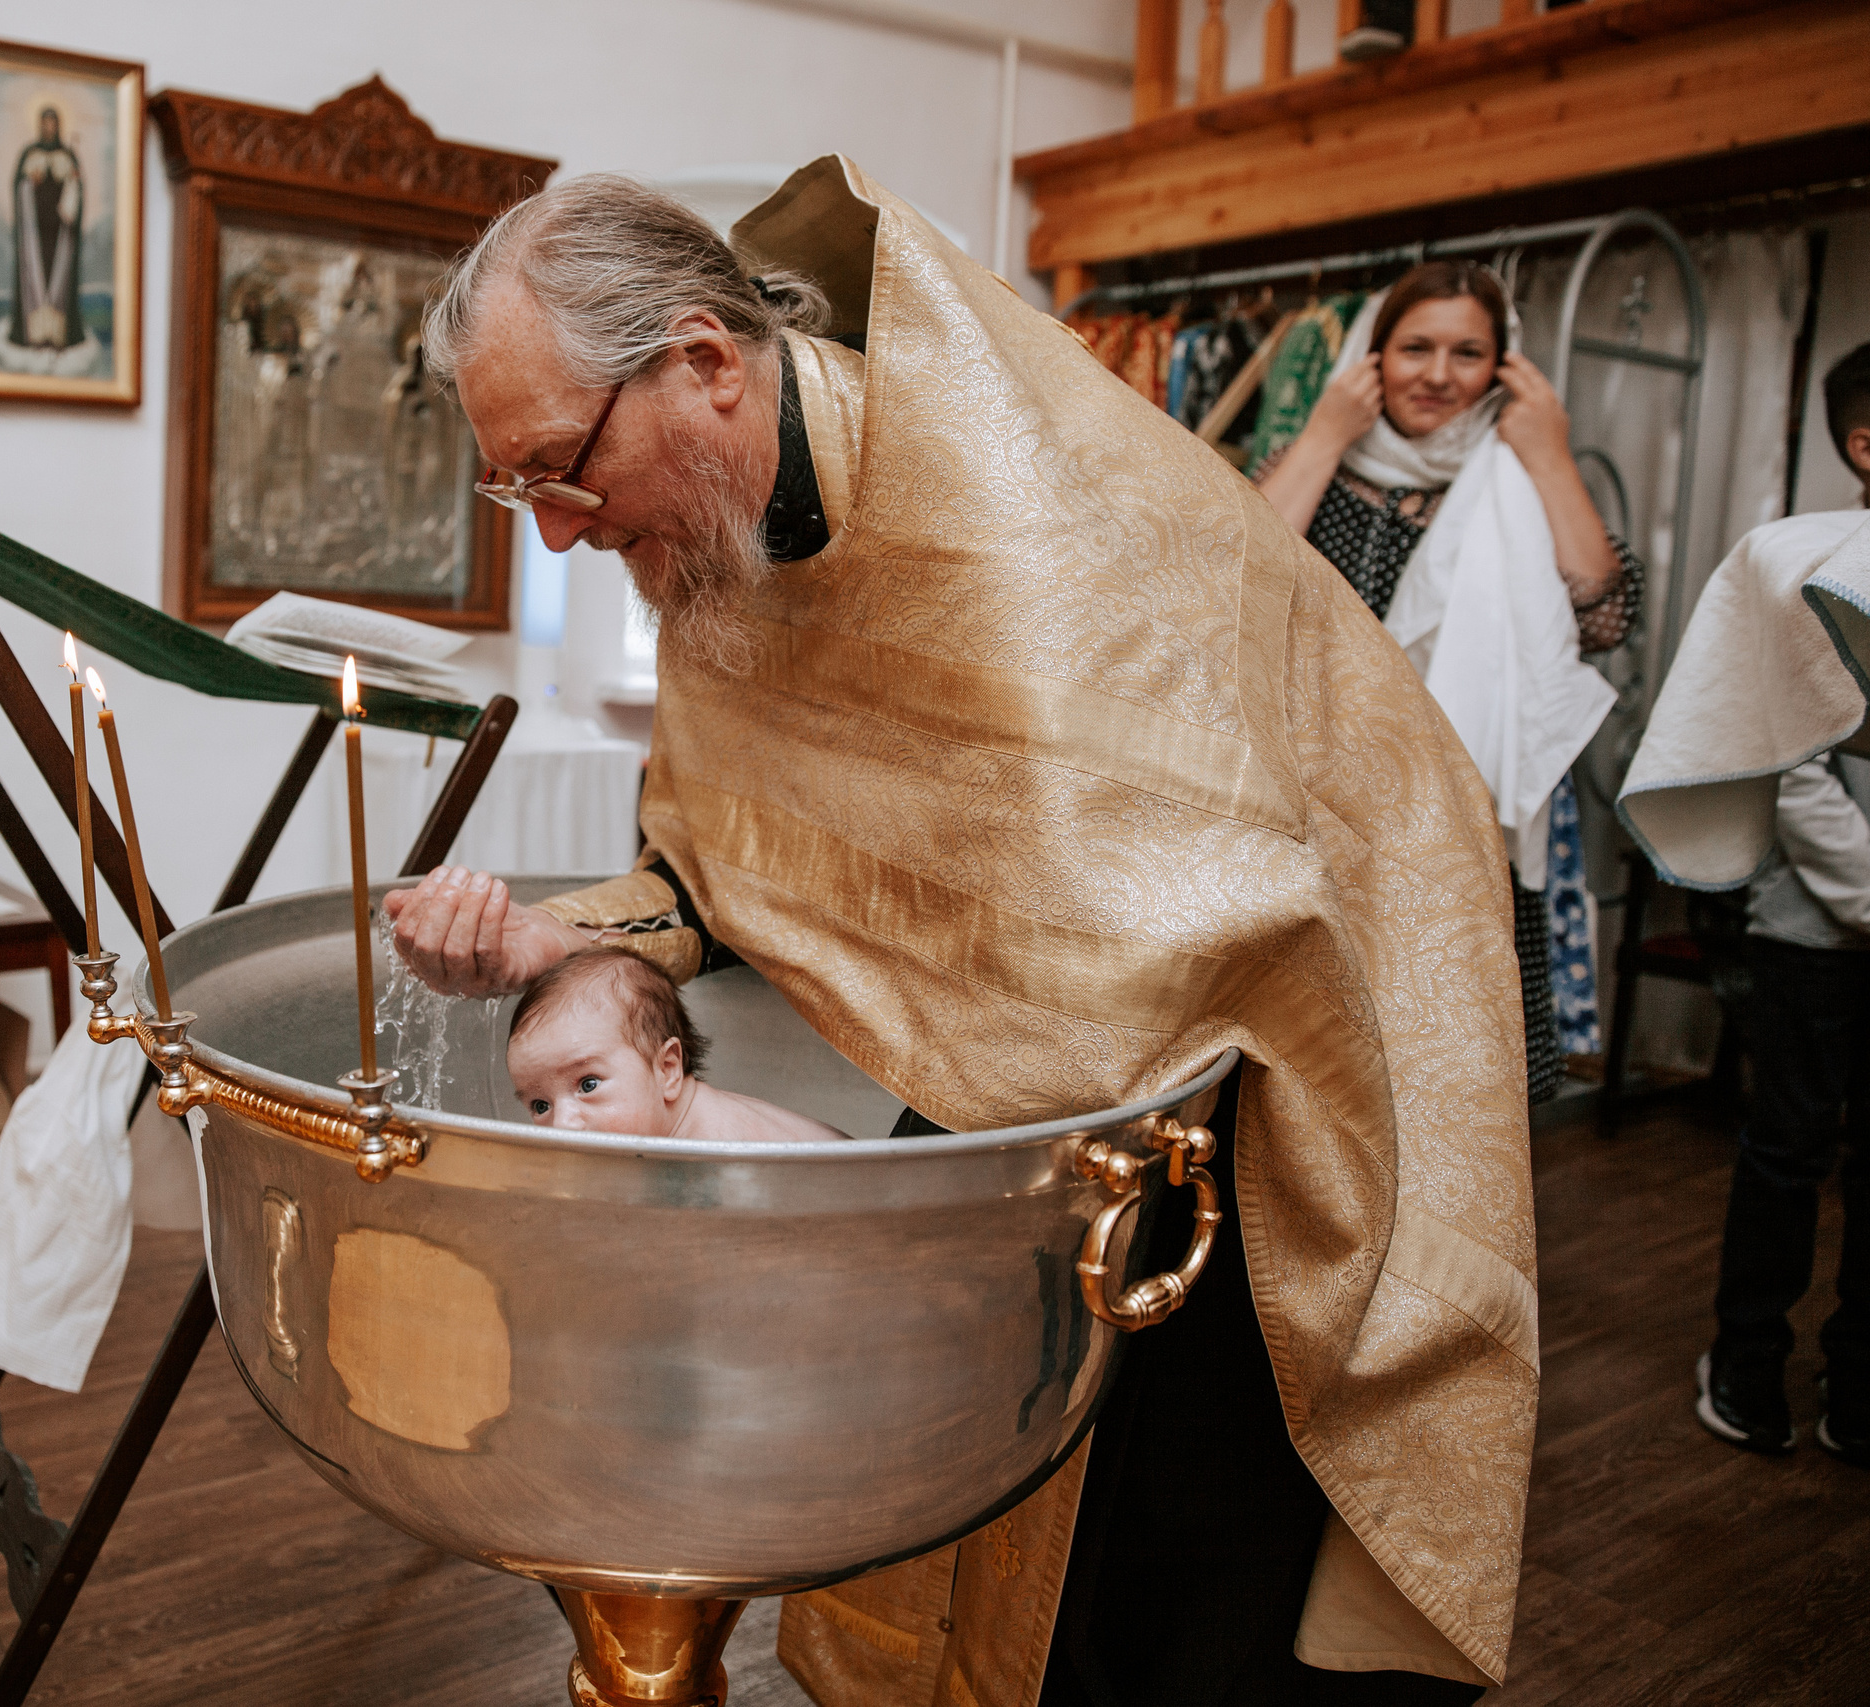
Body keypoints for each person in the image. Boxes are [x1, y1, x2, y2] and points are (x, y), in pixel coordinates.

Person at [387, 160, 1535, 1707]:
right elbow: (736, 863)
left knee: (1168, 1580)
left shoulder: (1010, 505)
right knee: (960, 1484)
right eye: (520, 490)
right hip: (1040, 1075)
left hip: (1274, 1066)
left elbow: (1183, 913)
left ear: (705, 364)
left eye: (559, 470)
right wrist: (553, 937)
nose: (563, 530)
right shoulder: (725, 543)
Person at [1256, 259, 1644, 1103]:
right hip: (1320, 818)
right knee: (1314, 1083)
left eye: (1468, 353)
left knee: (1447, 1087)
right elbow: (1232, 579)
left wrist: (1550, 457)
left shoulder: (1516, 486)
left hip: (1466, 828)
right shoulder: (1316, 468)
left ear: (1506, 367)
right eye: (1414, 348)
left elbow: (1605, 619)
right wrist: (1325, 435)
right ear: (1371, 356)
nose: (1437, 375)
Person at [1695, 340, 1870, 1469]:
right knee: (1786, 1152)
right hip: (1819, 927)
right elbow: (1794, 763)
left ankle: (1857, 1388)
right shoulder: (1806, 569)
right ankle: (1748, 1368)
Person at [505, 945, 851, 1142]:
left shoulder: (714, 1147)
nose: (563, 1125)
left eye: (588, 1084)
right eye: (540, 1106)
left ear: (667, 1069)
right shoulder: (668, 1133)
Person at [11, 106, 82, 351]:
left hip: (59, 234)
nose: (48, 128)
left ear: (58, 126)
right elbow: (19, 188)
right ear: (40, 126)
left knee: (59, 275)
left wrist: (72, 182)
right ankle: (34, 334)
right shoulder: (30, 154)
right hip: (35, 234)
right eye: (45, 123)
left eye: (53, 123)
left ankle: (58, 334)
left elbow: (76, 191)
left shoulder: (67, 155)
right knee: (35, 275)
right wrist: (30, 182)